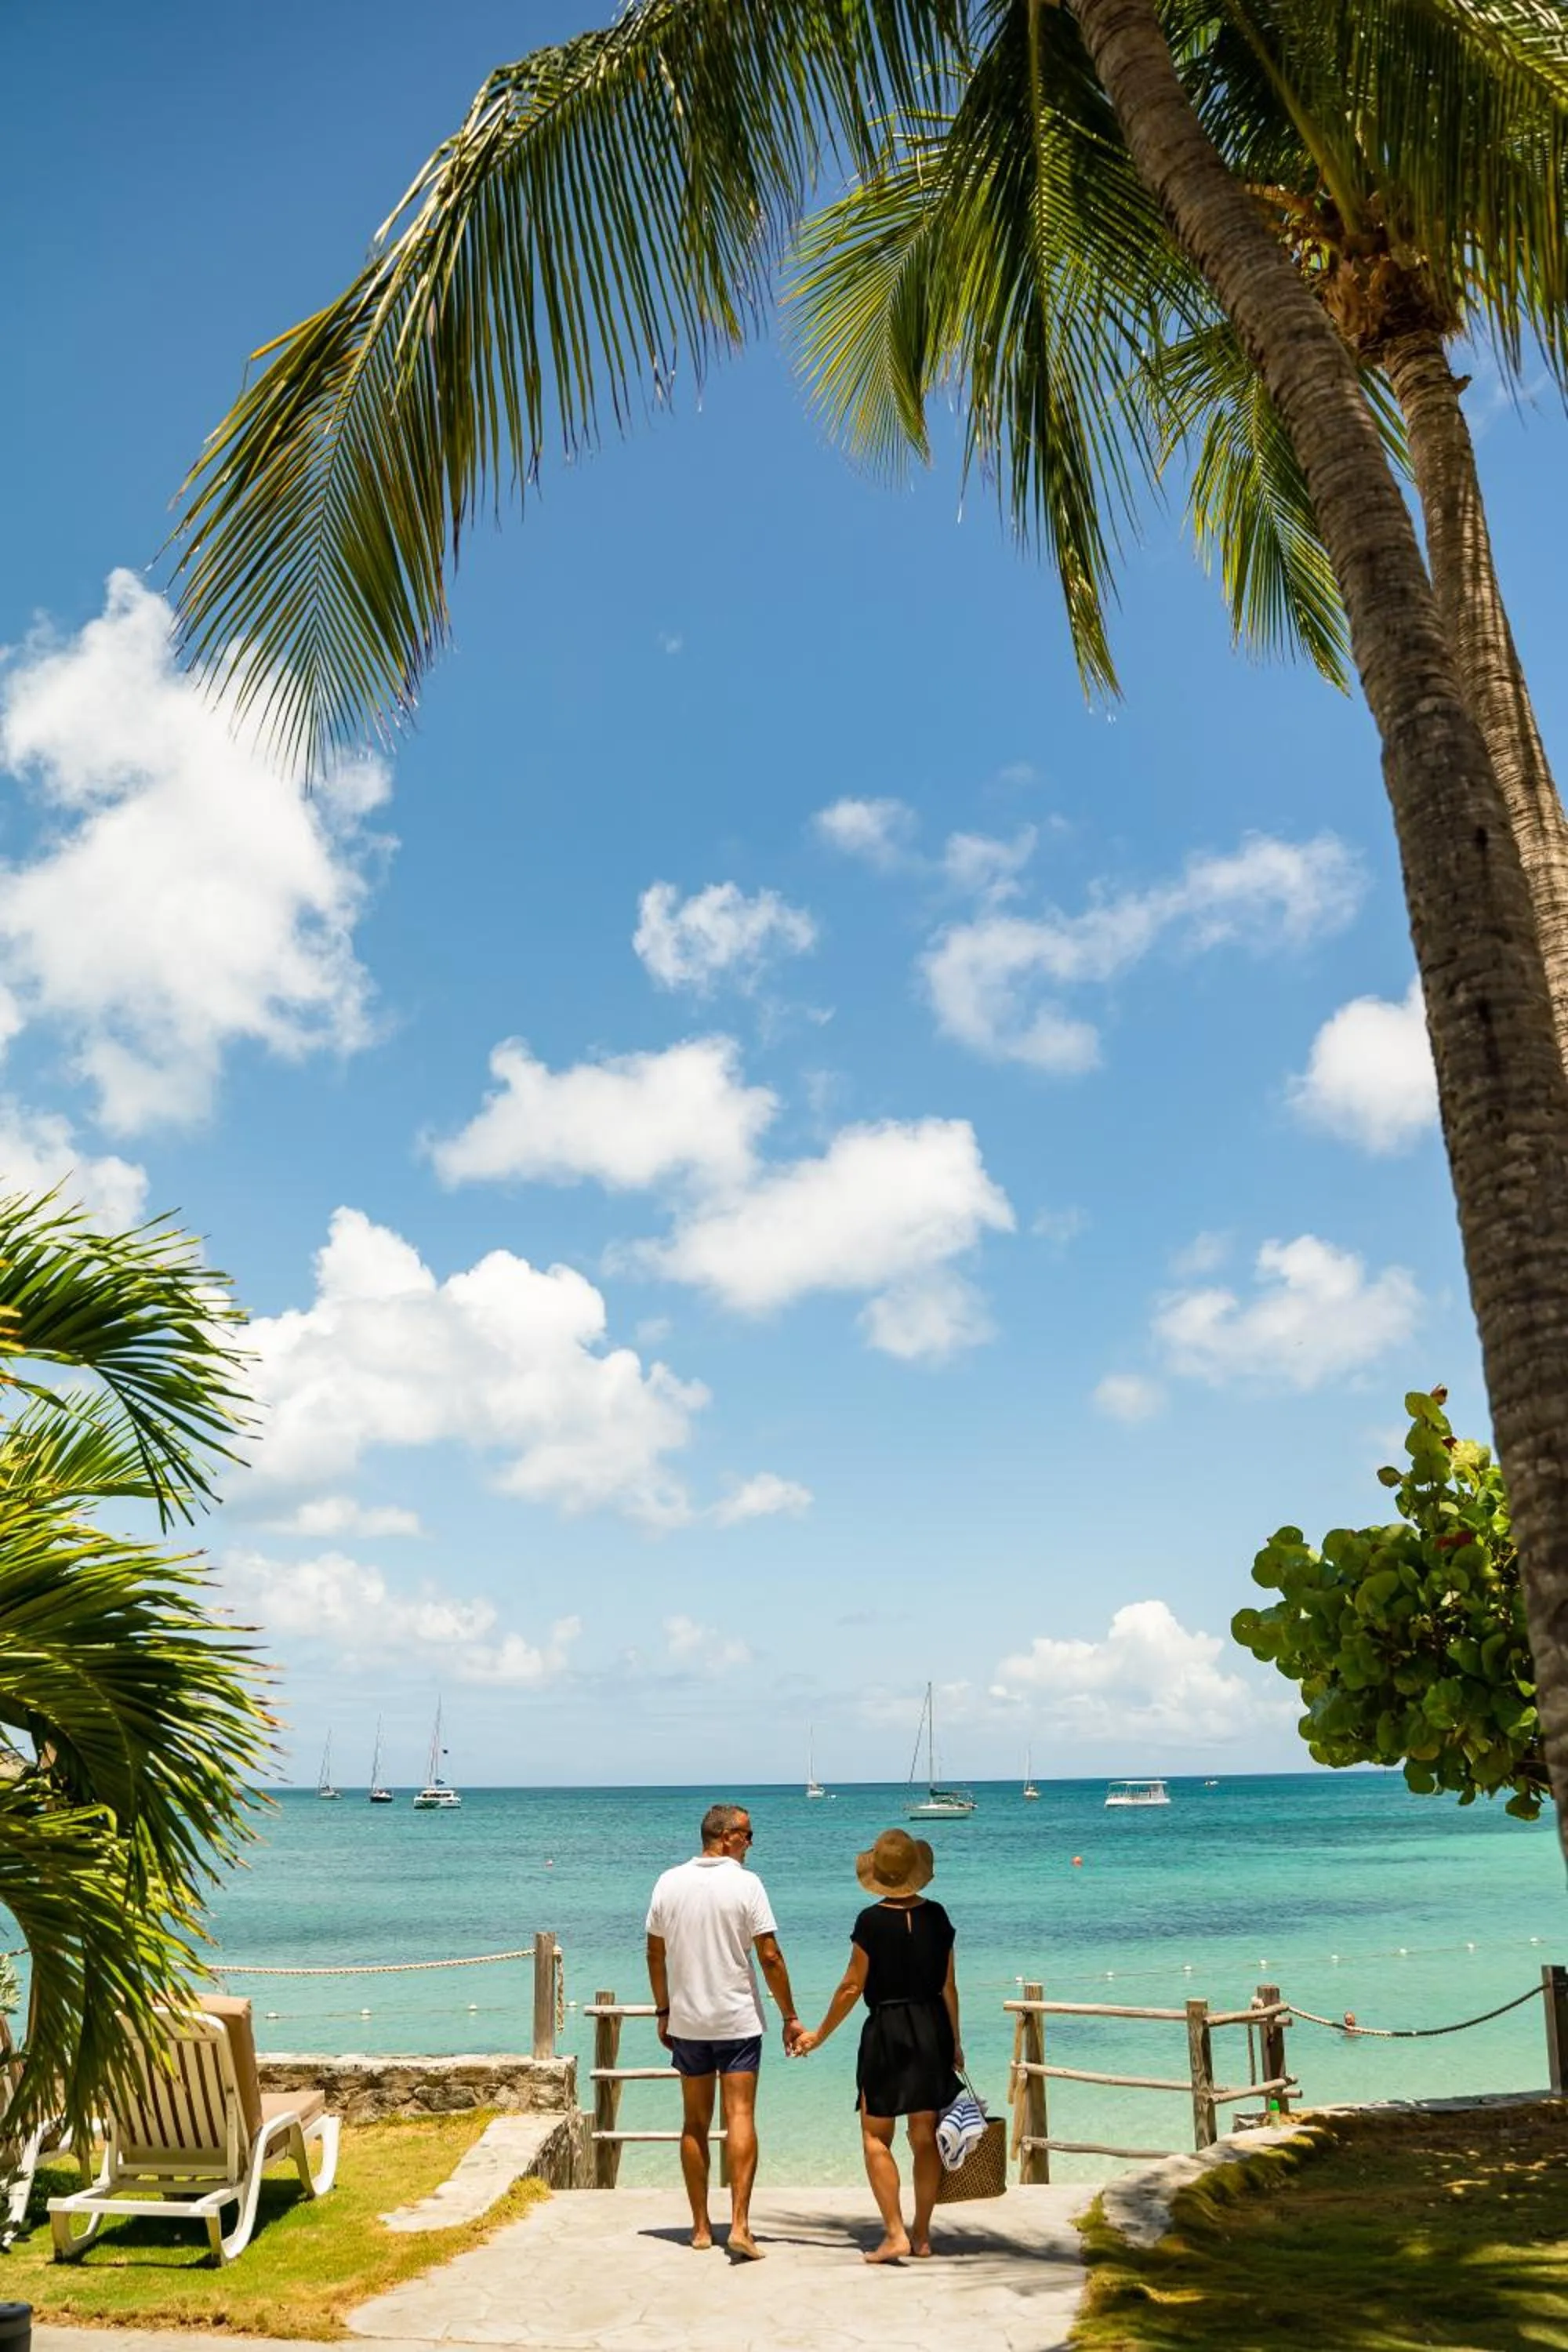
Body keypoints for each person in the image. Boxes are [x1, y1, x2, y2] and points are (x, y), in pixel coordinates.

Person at [646, 1801, 805, 2259]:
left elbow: (655, 1954)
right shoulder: (747, 1884)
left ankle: (699, 2228)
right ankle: (739, 2225)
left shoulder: (667, 1882)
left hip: (689, 2021)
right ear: (727, 1836)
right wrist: (790, 2015)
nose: (752, 1844)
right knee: (740, 2118)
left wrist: (664, 2010)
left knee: (694, 2122)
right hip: (736, 2020)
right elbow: (770, 1955)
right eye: (749, 1836)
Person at [797, 1828, 961, 2263]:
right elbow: (948, 1986)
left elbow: (852, 1986)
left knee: (876, 2136)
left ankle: (895, 2234)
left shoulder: (870, 1921)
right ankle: (922, 2235)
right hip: (932, 2029)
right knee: (924, 2136)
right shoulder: (938, 1916)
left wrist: (819, 2034)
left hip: (887, 2030)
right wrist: (956, 2044)